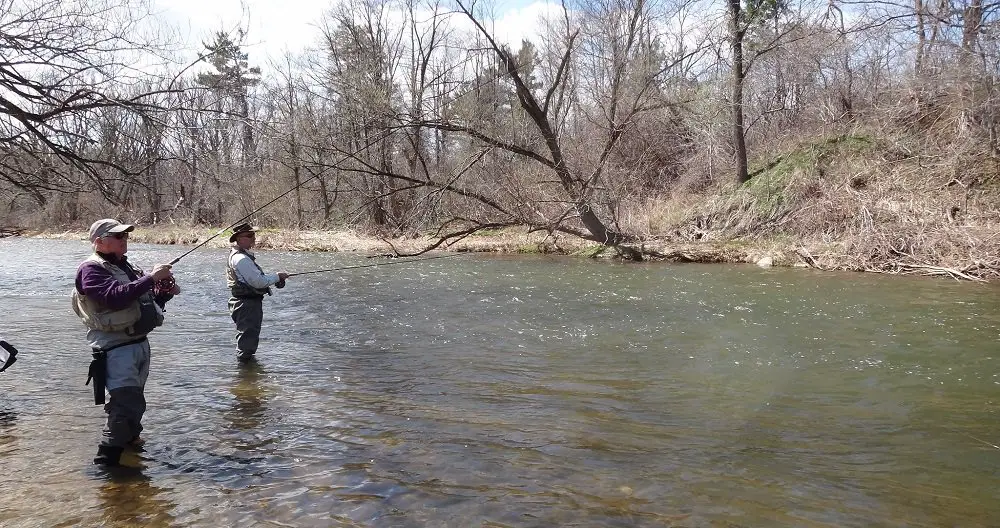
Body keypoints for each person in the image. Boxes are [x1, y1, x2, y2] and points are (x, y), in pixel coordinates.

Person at [72, 219, 180, 466]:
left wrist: (162, 292)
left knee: (135, 402)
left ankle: (131, 452)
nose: (124, 241)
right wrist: (151, 278)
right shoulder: (91, 269)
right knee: (125, 404)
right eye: (118, 237)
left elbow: (143, 301)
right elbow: (113, 299)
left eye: (126, 237)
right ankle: (106, 462)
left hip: (138, 344)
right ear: (99, 241)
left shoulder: (126, 266)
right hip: (115, 349)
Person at [226, 223, 289, 364]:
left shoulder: (242, 256)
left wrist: (276, 278)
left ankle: (247, 372)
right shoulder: (241, 259)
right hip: (246, 305)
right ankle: (245, 375)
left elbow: (256, 280)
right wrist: (278, 276)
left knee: (248, 340)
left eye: (253, 235)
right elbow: (258, 282)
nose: (253, 238)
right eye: (249, 236)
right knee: (246, 344)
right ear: (239, 239)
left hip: (246, 304)